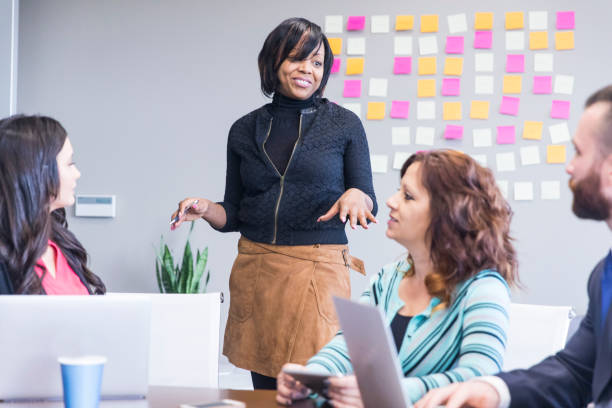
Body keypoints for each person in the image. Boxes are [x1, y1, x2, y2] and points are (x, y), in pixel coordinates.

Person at [169, 18, 378, 389]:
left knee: (315, 388)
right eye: (298, 58)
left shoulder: (344, 125)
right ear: (273, 62)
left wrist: (355, 196)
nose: (308, 70)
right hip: (257, 272)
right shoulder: (243, 129)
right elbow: (233, 212)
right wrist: (205, 209)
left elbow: (365, 195)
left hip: (318, 272)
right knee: (266, 391)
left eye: (317, 63)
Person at [415, 85, 612, 408]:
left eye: (578, 152)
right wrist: (493, 391)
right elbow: (577, 372)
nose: (569, 167)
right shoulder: (604, 276)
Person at [277, 150, 520, 406]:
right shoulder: (388, 278)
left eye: (408, 196)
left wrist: (386, 392)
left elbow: (479, 378)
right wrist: (311, 376)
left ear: (447, 214)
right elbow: (347, 345)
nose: (391, 201)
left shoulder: (484, 289)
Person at [0, 114, 106, 295]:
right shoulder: (4, 262)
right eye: (69, 163)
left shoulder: (62, 244)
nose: (77, 173)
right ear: (36, 173)